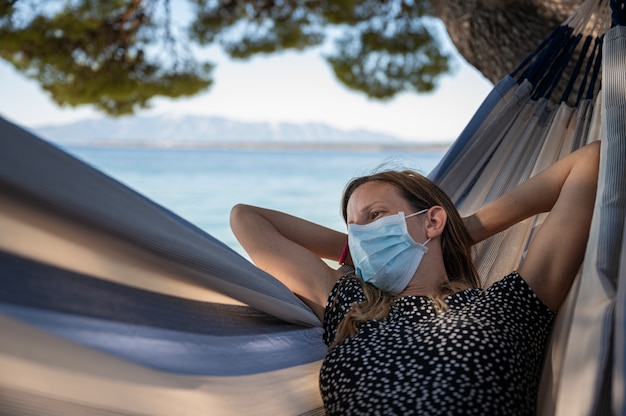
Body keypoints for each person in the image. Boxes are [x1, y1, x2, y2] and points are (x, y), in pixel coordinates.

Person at [230, 141, 600, 415]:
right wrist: (360, 247)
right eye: (353, 228)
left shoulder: (507, 304)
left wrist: (463, 230)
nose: (362, 235)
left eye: (375, 215)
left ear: (432, 220)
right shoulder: (350, 308)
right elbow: (246, 218)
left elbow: (590, 161)